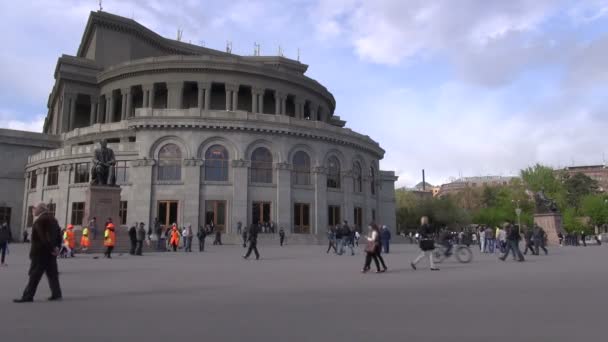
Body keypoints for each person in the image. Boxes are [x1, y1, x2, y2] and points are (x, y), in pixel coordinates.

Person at [14, 203, 62, 302]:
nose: (33, 211)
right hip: (51, 253)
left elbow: (43, 238)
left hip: (40, 253)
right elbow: (59, 234)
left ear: (40, 209)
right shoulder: (53, 219)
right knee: (52, 274)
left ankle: (28, 296)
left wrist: (51, 249)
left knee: (34, 275)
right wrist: (56, 248)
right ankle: (56, 293)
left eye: (34, 208)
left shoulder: (39, 221)